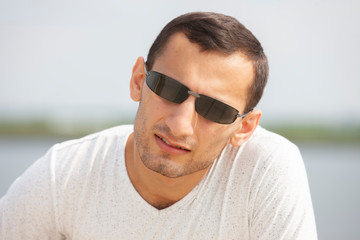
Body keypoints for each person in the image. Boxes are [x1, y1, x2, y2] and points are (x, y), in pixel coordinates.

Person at [0, 12, 317, 239]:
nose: (179, 126)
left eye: (214, 109)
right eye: (168, 88)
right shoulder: (64, 176)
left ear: (244, 128)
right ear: (139, 80)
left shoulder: (265, 171)